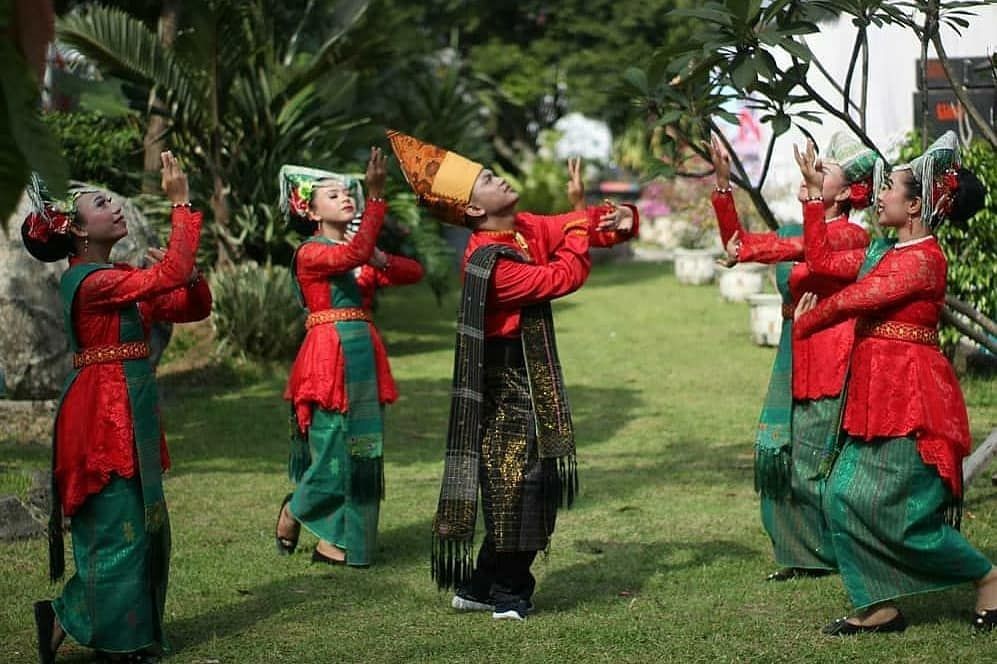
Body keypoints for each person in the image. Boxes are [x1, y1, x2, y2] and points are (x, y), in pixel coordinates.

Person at [387, 129, 639, 621]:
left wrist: (620, 220)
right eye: (485, 178)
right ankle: (509, 594)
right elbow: (562, 276)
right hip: (503, 377)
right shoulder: (489, 262)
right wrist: (577, 230)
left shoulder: (521, 228)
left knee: (524, 482)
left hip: (525, 367)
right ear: (475, 210)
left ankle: (480, 586)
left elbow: (579, 226)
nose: (497, 176)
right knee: (518, 484)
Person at [794, 131, 997, 634]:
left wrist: (807, 322)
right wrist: (813, 202)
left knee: (907, 516)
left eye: (889, 189)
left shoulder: (926, 259)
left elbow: (857, 299)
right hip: (874, 391)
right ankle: (879, 605)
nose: (878, 193)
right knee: (841, 493)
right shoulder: (882, 250)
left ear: (914, 207)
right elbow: (820, 263)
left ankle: (988, 577)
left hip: (912, 395)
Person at [25, 152, 211, 663]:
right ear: (80, 233)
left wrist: (187, 278)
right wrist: (181, 205)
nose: (114, 206)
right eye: (101, 202)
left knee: (146, 526)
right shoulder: (89, 283)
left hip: (131, 408)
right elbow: (171, 270)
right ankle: (94, 627)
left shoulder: (121, 279)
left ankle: (108, 629)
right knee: (117, 528)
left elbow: (191, 305)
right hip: (101, 414)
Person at [708, 131, 877, 581]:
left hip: (832, 354)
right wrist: (724, 185)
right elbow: (739, 245)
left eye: (821, 171)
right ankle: (800, 552)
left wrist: (809, 202)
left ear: (844, 194)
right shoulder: (801, 232)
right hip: (795, 348)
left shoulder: (852, 237)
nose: (809, 173)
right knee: (783, 453)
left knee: (811, 460)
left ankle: (830, 553)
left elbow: (821, 259)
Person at [275, 149, 424, 568]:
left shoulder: (358, 258)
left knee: (363, 448)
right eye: (332, 194)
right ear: (310, 210)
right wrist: (376, 197)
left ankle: (340, 543)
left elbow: (413, 272)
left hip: (362, 351)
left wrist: (381, 258)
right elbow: (349, 255)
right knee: (331, 448)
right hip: (328, 356)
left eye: (347, 192)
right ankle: (295, 510)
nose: (344, 197)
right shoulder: (311, 252)